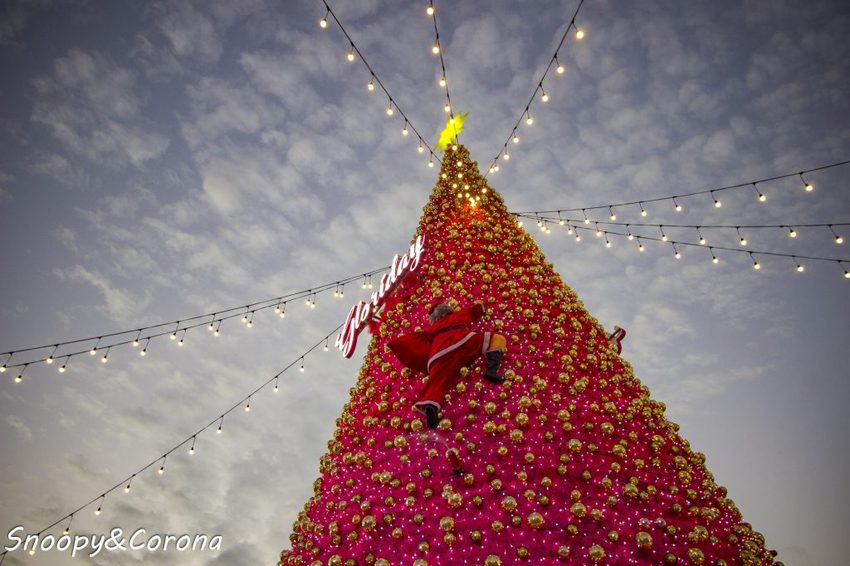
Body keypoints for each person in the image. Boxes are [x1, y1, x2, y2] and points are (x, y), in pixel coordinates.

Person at [389, 303, 506, 429]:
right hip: (463, 342)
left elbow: (416, 340)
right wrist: (484, 307)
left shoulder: (432, 329)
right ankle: (491, 370)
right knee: (495, 339)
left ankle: (430, 407)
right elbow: (478, 309)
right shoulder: (460, 314)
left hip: (439, 354)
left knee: (436, 382)